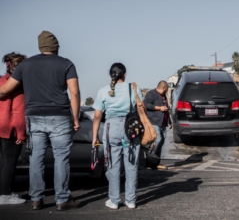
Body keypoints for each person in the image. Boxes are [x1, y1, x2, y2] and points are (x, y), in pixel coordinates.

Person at [0, 31, 81, 210]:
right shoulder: (66, 64)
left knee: (36, 158)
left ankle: (36, 199)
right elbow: (74, 92)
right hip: (59, 116)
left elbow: (4, 90)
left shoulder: (26, 65)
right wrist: (75, 118)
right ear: (56, 47)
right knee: (61, 158)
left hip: (34, 117)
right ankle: (62, 199)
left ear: (40, 46)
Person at [92, 63, 143, 210]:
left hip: (111, 127)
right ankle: (131, 200)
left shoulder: (103, 91)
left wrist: (95, 136)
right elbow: (141, 108)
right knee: (131, 164)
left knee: (113, 165)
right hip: (130, 127)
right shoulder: (133, 88)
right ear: (125, 74)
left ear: (110, 75)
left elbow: (96, 117)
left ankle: (114, 200)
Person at [0, 52, 27, 205]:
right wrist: (21, 134)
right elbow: (18, 111)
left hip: (0, 126)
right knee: (10, 162)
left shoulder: (2, 81)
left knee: (3, 162)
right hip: (11, 128)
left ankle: (3, 192)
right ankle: (5, 195)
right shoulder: (19, 84)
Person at [143, 80, 172, 169]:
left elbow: (166, 109)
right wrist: (159, 108)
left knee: (161, 141)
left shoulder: (163, 96)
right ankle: (149, 159)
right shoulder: (152, 94)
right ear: (164, 88)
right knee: (158, 139)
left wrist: (170, 121)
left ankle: (155, 163)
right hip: (154, 122)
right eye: (167, 89)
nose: (167, 91)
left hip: (163, 123)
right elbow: (146, 105)